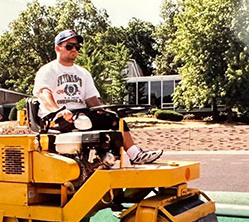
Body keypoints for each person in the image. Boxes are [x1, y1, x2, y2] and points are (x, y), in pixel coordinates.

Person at [33, 30, 163, 164]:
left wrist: (105, 110)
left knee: (114, 119)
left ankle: (133, 155)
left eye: (77, 47)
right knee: (83, 121)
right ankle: (99, 159)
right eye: (69, 46)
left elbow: (91, 99)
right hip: (56, 118)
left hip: (80, 114)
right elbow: (44, 94)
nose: (74, 50)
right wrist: (58, 111)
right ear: (57, 48)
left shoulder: (83, 73)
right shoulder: (48, 70)